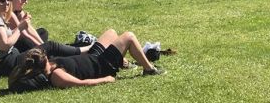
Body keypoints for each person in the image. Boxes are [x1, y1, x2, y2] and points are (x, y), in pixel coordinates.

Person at [0, 0, 91, 77]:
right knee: (50, 46)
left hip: (7, 61)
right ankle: (86, 50)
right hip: (5, 65)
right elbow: (4, 45)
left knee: (44, 48)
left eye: (9, 0)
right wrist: (20, 28)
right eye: (2, 1)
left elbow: (7, 38)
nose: (7, 3)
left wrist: (21, 26)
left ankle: (80, 52)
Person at [8, 29, 165, 92]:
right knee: (129, 37)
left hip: (93, 56)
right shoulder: (56, 76)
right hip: (103, 65)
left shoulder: (52, 64)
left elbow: (18, 72)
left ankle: (124, 61)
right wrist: (106, 79)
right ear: (43, 63)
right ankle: (149, 69)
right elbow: (81, 83)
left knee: (111, 32)